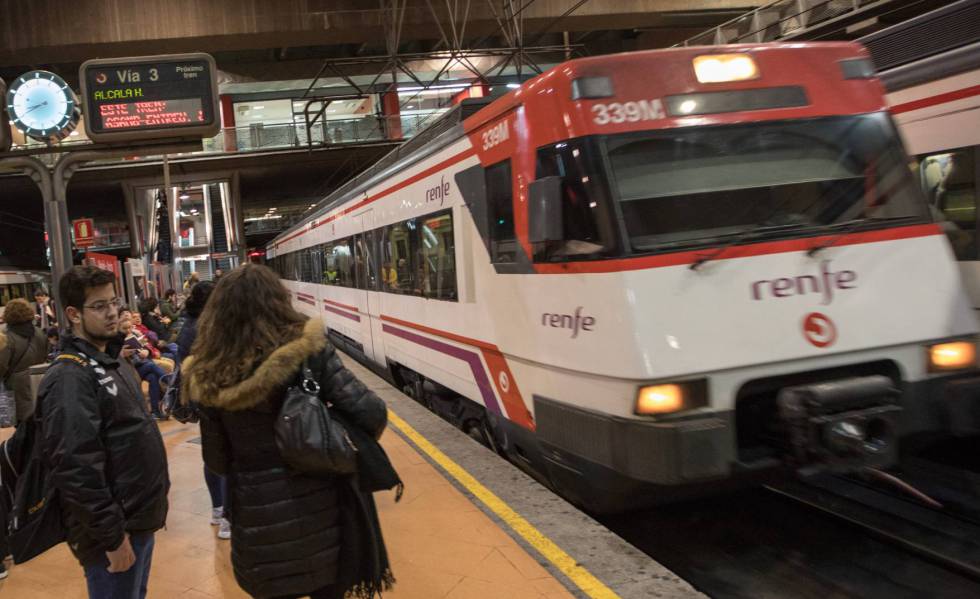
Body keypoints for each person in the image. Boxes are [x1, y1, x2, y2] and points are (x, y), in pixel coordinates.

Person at [182, 264, 393, 599]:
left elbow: (217, 462)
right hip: (325, 514)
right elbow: (371, 413)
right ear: (278, 301)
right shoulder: (309, 352)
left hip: (257, 527)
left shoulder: (206, 375)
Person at [36, 265, 170, 599]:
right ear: (73, 314)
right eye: (99, 306)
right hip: (114, 531)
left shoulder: (110, 357)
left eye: (114, 302)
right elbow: (76, 467)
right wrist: (112, 538)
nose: (112, 313)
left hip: (137, 519)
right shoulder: (70, 376)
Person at [173, 281, 229, 540]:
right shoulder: (213, 327)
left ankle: (218, 510)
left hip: (199, 397)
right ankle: (228, 516)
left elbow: (183, 363)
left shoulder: (186, 327)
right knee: (229, 454)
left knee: (212, 453)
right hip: (221, 396)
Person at [0, 298, 50, 423]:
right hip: (39, 381)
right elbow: (46, 354)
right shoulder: (39, 332)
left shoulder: (5, 335)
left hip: (16, 386)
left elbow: (2, 364)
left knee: (22, 424)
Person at [119, 309, 169, 420]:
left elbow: (146, 346)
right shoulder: (118, 341)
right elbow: (122, 360)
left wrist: (146, 351)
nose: (127, 330)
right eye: (124, 329)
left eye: (129, 327)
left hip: (141, 365)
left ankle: (155, 411)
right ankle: (170, 383)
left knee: (153, 377)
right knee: (151, 366)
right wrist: (125, 354)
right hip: (131, 369)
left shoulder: (134, 334)